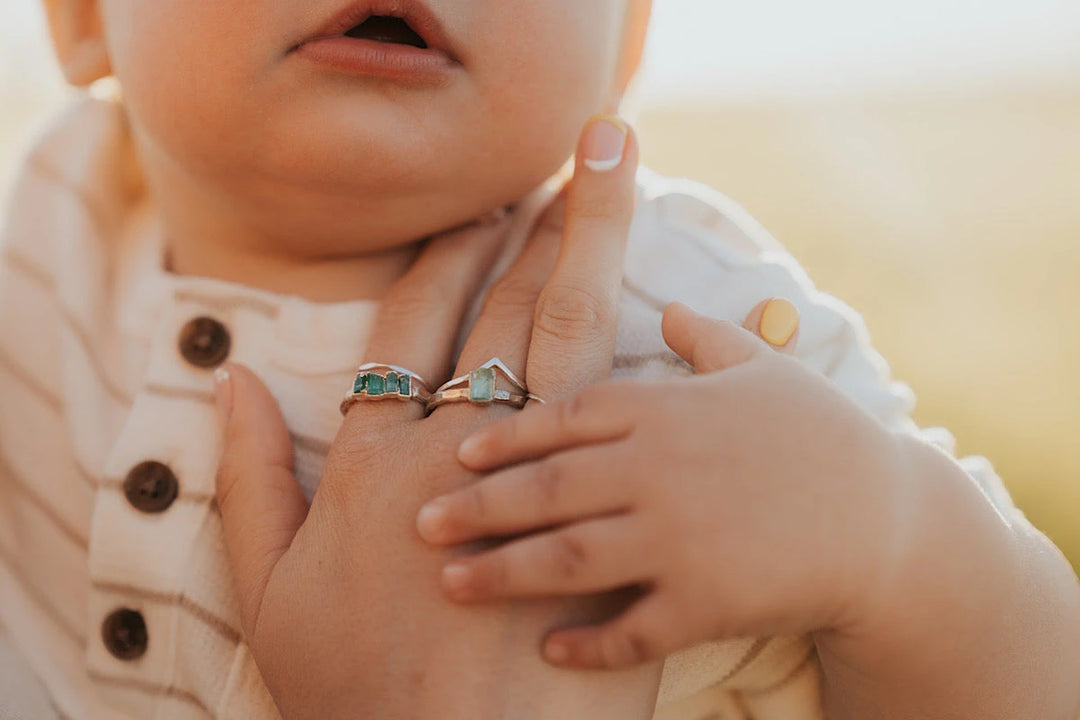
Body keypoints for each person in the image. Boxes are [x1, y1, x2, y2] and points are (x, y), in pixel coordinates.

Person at [0, 0, 1077, 717]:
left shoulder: (689, 316)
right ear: (85, 18)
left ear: (624, 45)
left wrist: (900, 541)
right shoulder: (43, 225)